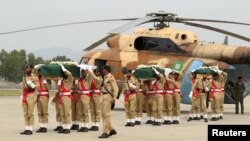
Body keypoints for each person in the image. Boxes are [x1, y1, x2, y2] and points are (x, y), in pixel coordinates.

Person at [98, 65, 118, 138]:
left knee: (106, 115)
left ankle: (105, 132)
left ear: (106, 70)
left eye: (103, 69)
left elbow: (115, 88)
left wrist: (114, 98)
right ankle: (111, 129)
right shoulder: (105, 77)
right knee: (103, 115)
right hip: (103, 96)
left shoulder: (111, 77)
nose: (102, 70)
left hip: (108, 97)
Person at [20, 64, 38, 135]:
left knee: (30, 113)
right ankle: (26, 128)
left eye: (29, 68)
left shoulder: (34, 77)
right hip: (25, 95)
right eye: (26, 68)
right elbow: (22, 87)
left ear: (32, 69)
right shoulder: (24, 77)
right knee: (25, 113)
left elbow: (38, 86)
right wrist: (21, 95)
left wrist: (32, 85)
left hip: (31, 95)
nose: (27, 69)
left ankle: (30, 129)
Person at [34, 64, 52, 133]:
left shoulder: (47, 79)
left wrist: (45, 81)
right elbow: (33, 72)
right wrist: (37, 67)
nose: (40, 73)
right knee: (39, 112)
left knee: (44, 112)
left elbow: (49, 88)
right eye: (39, 72)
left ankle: (45, 126)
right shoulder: (37, 79)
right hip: (38, 96)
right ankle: (41, 126)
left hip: (44, 96)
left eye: (41, 72)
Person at [57, 64, 73, 134]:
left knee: (67, 113)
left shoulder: (70, 79)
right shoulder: (62, 80)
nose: (64, 73)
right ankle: (64, 127)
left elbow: (70, 74)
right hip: (61, 97)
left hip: (66, 97)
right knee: (62, 113)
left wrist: (64, 69)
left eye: (65, 72)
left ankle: (68, 128)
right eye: (63, 72)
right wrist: (59, 82)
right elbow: (58, 89)